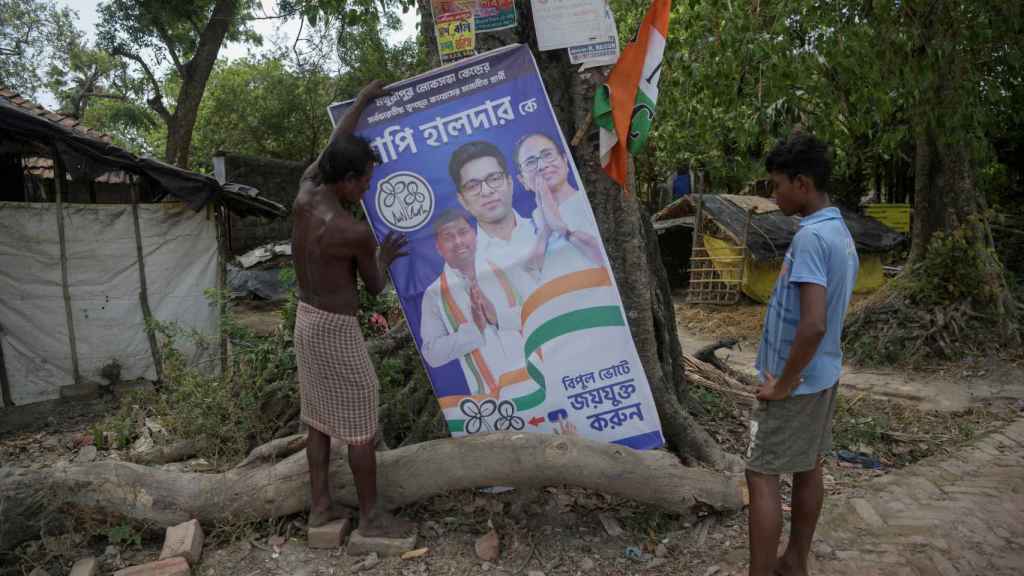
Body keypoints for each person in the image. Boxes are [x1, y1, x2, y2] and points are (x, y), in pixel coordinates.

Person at [291, 79, 414, 537]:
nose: (368, 189)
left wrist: (361, 102)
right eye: (365, 181)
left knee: (318, 419)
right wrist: (383, 254)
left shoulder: (307, 191)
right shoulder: (352, 231)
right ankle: (371, 517)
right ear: (346, 181)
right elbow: (376, 288)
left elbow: (332, 146)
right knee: (361, 421)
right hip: (337, 330)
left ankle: (320, 508)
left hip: (306, 321)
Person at [746, 134, 859, 576]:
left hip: (798, 381)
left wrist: (782, 384)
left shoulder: (812, 239)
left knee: (761, 474)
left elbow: (812, 323)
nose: (775, 196)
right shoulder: (838, 231)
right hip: (823, 374)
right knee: (808, 466)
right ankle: (793, 561)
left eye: (778, 186)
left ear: (803, 184)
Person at [419, 208, 524, 397]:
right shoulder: (434, 294)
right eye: (448, 237)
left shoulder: (505, 265)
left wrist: (498, 317)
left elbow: (541, 311)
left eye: (463, 232)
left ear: (474, 234)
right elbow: (432, 354)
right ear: (438, 247)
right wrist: (476, 328)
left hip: (541, 377)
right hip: (492, 400)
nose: (458, 241)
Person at [514, 132, 605, 281]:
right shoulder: (523, 228)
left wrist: (562, 228)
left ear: (565, 160)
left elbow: (607, 258)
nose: (542, 166)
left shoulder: (593, 202)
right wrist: (544, 232)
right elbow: (526, 280)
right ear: (522, 180)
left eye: (547, 155)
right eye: (530, 162)